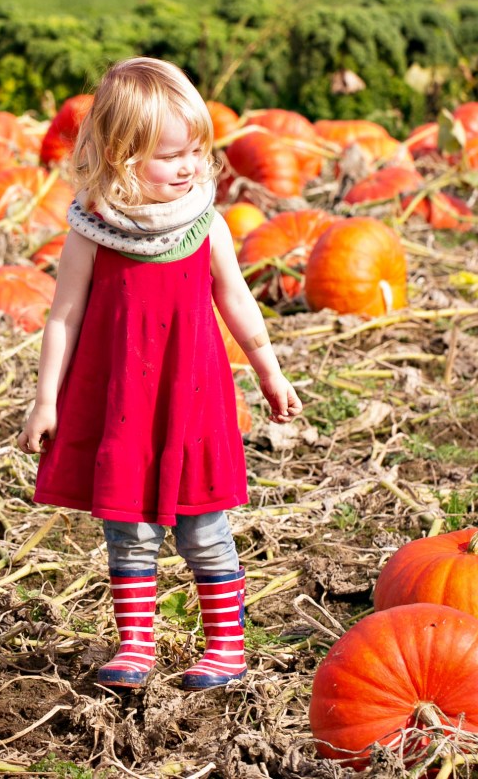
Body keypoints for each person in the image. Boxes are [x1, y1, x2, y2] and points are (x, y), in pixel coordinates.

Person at [17, 58, 302, 691]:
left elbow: (237, 302)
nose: (190, 166)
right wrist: (45, 400)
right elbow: (62, 317)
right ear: (120, 159)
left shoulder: (206, 224)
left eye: (197, 151)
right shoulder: (92, 230)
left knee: (203, 529)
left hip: (191, 401)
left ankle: (227, 648)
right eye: (171, 156)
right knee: (129, 533)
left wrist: (269, 370)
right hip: (121, 404)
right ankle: (136, 646)